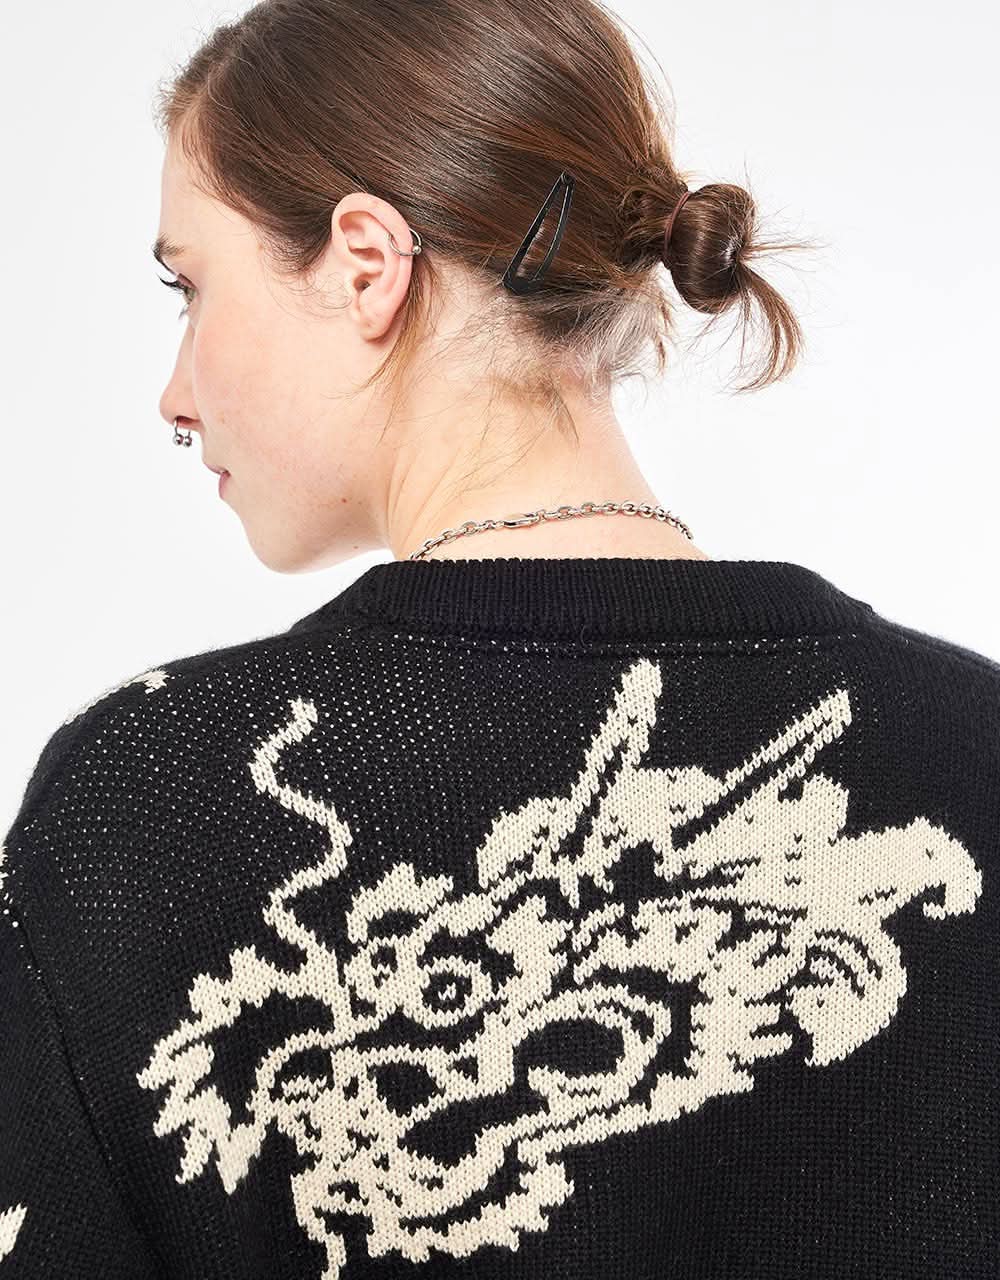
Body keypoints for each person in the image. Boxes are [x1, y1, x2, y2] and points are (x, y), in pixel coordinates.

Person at [1, 2, 997, 1277]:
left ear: (366, 263)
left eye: (189, 287)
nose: (175, 393)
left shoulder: (151, 797)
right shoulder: (974, 742)